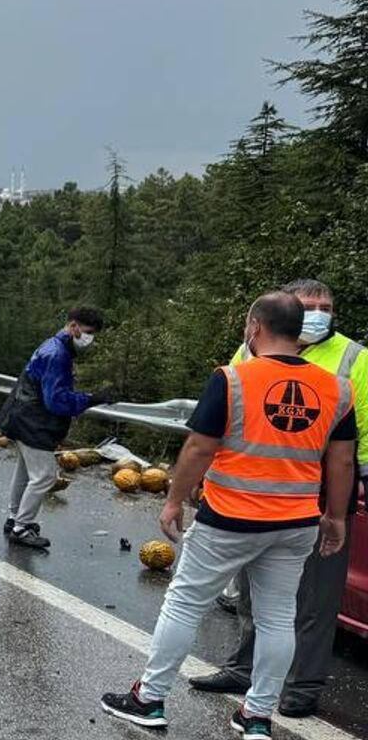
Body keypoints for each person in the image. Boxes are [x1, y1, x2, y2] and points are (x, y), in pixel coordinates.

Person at [101, 291, 354, 739]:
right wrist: (335, 516)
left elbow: (200, 447)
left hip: (231, 516)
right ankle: (255, 716)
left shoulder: (233, 379)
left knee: (185, 603)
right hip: (296, 521)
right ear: (298, 332)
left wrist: (174, 499)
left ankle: (150, 699)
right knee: (279, 618)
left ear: (254, 327)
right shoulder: (337, 388)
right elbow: (342, 462)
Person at [189, 279, 368, 718]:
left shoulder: (355, 359)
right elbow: (231, 405)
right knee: (255, 591)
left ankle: (302, 687)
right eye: (308, 306)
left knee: (316, 599)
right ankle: (244, 668)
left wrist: (347, 493)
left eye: (326, 306)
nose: (317, 314)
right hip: (257, 489)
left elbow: (359, 433)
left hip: (324, 488)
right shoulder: (253, 346)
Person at [0, 307, 116, 549]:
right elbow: (56, 400)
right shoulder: (58, 355)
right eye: (88, 332)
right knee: (44, 477)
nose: (89, 339)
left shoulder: (52, 346)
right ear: (73, 327)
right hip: (34, 422)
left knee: (26, 473)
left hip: (21, 415)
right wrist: (91, 398)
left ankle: (14, 519)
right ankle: (22, 527)